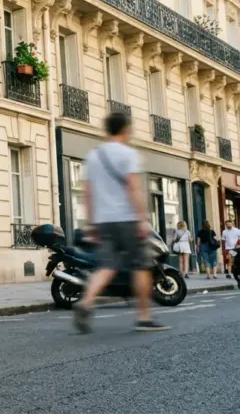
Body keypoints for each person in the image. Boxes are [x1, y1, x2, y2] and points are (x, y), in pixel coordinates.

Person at [74, 112, 169, 333]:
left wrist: (91, 223)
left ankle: (85, 302)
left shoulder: (93, 156)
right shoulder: (128, 154)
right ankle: (144, 318)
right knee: (141, 266)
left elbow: (87, 193)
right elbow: (133, 188)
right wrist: (142, 219)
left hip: (104, 221)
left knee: (106, 266)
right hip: (127, 219)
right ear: (126, 129)